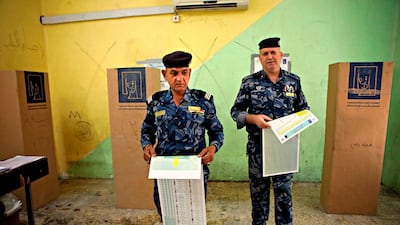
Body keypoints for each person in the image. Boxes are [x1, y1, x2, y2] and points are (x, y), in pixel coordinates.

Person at [230, 37, 309, 225]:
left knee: (284, 195)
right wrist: (253, 118)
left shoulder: (293, 82)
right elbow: (236, 112)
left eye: (273, 52)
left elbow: (304, 110)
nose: (270, 56)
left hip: (284, 148)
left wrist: (296, 126)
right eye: (265, 53)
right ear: (260, 57)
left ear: (281, 55)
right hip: (258, 150)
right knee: (258, 196)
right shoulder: (249, 82)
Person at [140, 50, 224, 220]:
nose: (180, 78)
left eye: (184, 72)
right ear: (165, 74)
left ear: (189, 73)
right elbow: (147, 130)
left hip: (194, 170)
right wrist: (147, 145)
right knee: (166, 212)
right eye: (174, 73)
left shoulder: (203, 102)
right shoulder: (156, 102)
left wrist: (213, 148)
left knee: (192, 214)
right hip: (165, 170)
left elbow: (217, 131)